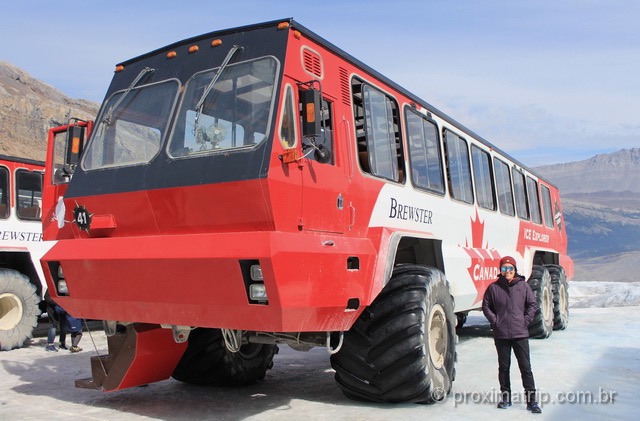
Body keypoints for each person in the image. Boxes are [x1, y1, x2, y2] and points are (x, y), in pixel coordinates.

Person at [482, 256, 542, 414]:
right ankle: (505, 398)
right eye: (504, 268)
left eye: (510, 268)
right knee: (504, 368)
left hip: (519, 333)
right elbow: (486, 305)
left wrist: (525, 320)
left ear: (515, 270)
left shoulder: (523, 286)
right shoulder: (493, 288)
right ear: (500, 270)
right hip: (501, 334)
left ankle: (532, 402)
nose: (507, 271)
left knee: (525, 368)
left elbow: (532, 304)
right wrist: (495, 320)